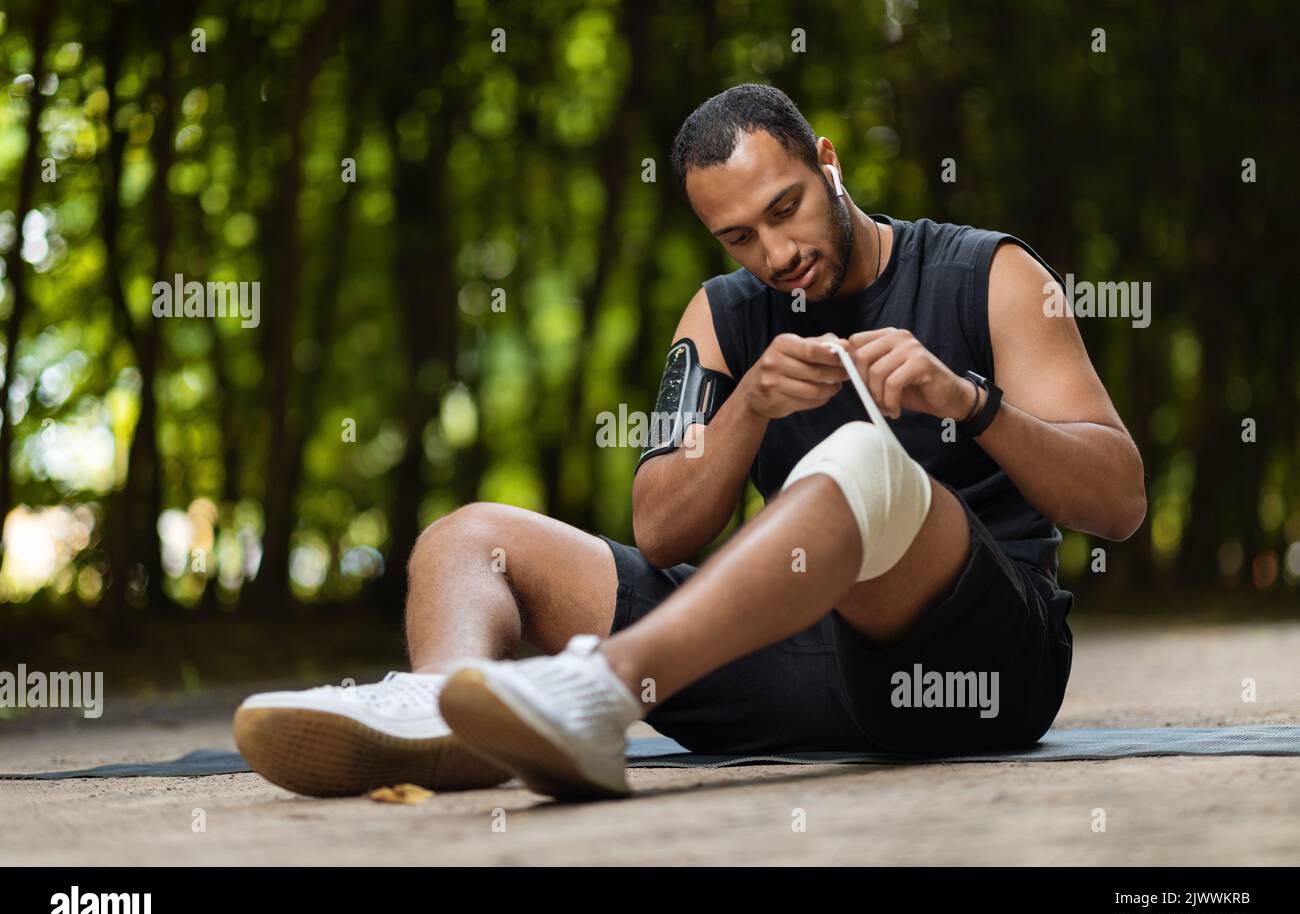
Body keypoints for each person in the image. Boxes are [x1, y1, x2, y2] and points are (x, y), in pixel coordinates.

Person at [234, 83, 1146, 801]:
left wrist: (971, 401)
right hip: (794, 664)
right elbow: (662, 530)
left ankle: (598, 697)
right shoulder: (722, 314)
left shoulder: (991, 273)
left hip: (973, 668)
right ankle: (444, 712)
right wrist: (746, 406)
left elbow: (1120, 503)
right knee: (471, 537)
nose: (777, 252)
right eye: (740, 236)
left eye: (786, 208)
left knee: (864, 461)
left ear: (827, 163)